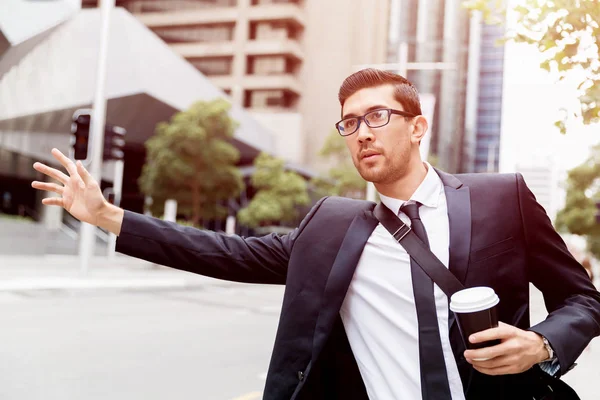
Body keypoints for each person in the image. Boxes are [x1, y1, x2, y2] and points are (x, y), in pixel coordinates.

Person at [32, 69, 600, 400]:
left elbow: (583, 298)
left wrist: (544, 343)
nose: (360, 133)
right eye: (349, 123)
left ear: (417, 125)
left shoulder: (503, 196)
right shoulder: (332, 227)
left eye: (377, 116)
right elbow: (225, 251)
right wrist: (109, 217)